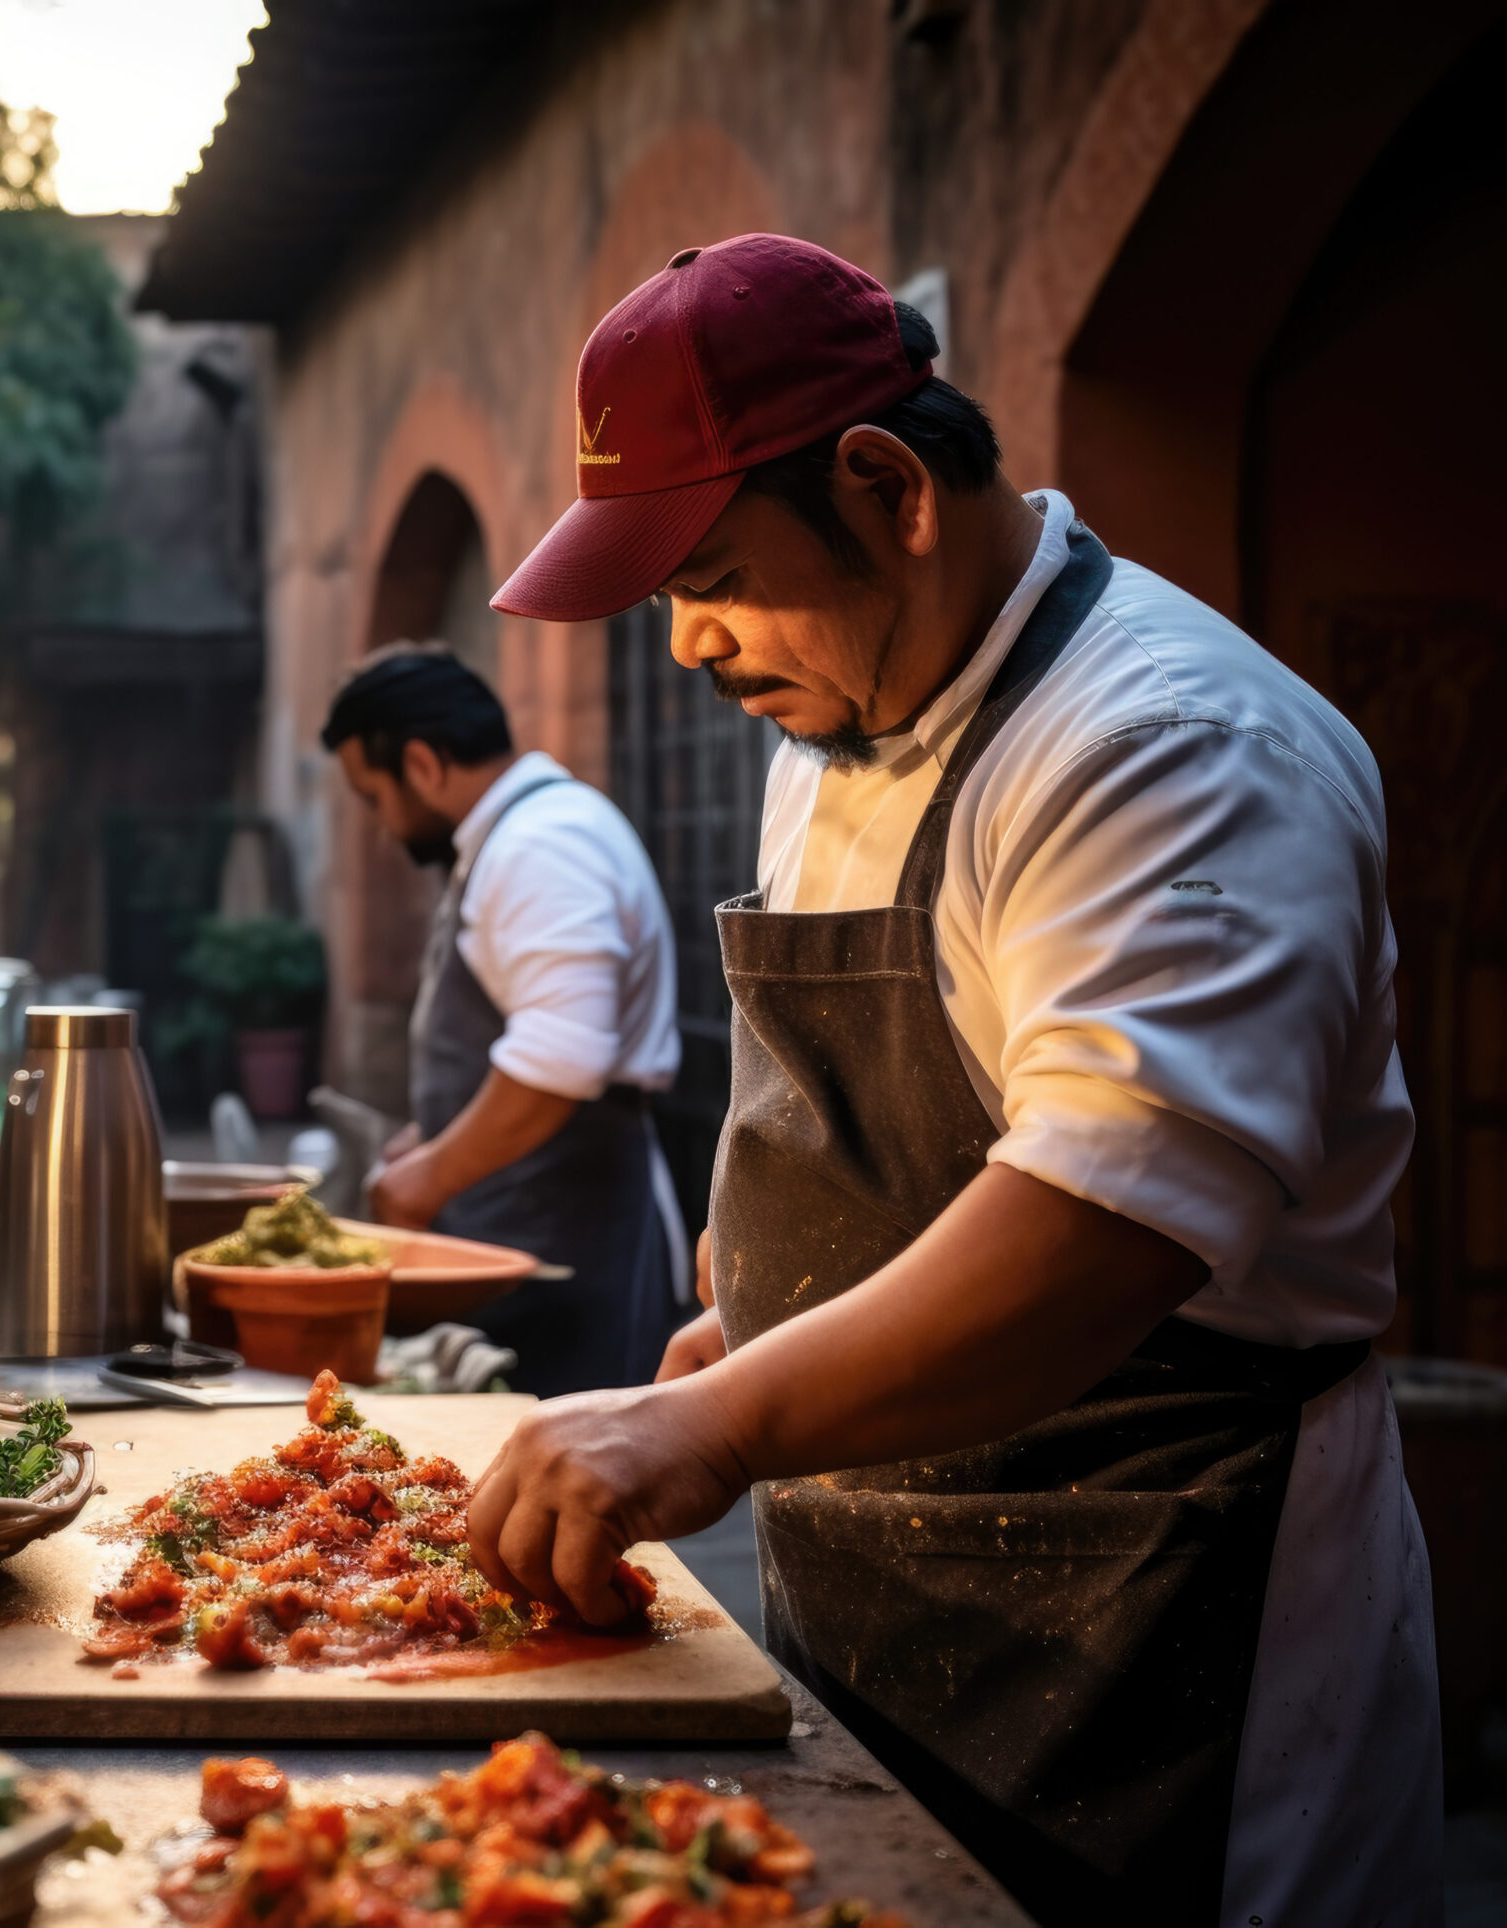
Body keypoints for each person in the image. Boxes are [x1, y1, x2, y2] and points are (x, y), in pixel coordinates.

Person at [466, 234, 1435, 1924]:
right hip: (884, 1580)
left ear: (887, 486)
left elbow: (1102, 1229)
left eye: (711, 569)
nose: (689, 638)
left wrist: (709, 1419)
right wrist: (757, 1319)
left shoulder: (1168, 746)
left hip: (1163, 1589)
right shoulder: (830, 720)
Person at [322, 646, 684, 1395]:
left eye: (373, 796)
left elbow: (563, 1058)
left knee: (568, 1476)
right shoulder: (524, 834)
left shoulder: (542, 843)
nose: (383, 828)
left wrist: (428, 1178)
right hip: (522, 1222)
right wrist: (435, 1133)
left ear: (421, 763)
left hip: (566, 1240)